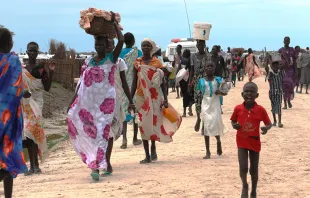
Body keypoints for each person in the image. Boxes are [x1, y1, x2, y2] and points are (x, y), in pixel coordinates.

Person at [67, 18, 134, 181]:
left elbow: (122, 40)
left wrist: (115, 24)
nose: (99, 48)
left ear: (107, 46)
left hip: (106, 105)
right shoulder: (89, 61)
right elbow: (81, 84)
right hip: (89, 105)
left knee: (103, 133)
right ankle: (95, 164)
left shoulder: (113, 59)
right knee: (91, 133)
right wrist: (72, 102)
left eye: (102, 45)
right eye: (97, 45)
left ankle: (101, 163)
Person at [131, 38, 182, 164]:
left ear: (152, 47)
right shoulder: (137, 63)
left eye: (148, 46)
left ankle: (153, 146)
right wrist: (130, 99)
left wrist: (165, 99)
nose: (146, 48)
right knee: (142, 124)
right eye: (143, 45)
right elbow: (133, 82)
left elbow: (163, 83)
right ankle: (147, 155)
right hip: (141, 96)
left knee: (153, 123)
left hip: (154, 96)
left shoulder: (157, 63)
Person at [231, 82, 272, 198]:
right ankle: (244, 185)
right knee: (243, 168)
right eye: (247, 91)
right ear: (242, 94)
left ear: (257, 95)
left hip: (255, 142)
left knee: (253, 169)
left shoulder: (260, 110)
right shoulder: (238, 108)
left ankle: (254, 189)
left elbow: (269, 123)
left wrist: (266, 128)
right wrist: (235, 125)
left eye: (252, 92)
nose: (249, 94)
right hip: (241, 142)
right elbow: (233, 120)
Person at [0, 27, 28, 198]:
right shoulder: (13, 61)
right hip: (8, 119)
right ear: (9, 43)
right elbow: (17, 89)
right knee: (8, 157)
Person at [22, 42, 54, 176]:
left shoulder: (41, 69)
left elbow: (47, 88)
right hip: (25, 102)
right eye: (30, 51)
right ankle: (32, 166)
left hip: (37, 101)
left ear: (38, 52)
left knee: (33, 130)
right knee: (27, 132)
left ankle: (36, 166)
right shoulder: (22, 68)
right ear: (27, 52)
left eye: (35, 51)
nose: (32, 53)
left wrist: (51, 72)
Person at [198, 61, 228, 159]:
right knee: (206, 126)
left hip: (215, 104)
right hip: (206, 104)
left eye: (212, 66)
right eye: (208, 66)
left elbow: (225, 92)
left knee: (215, 124)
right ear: (205, 68)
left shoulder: (218, 80)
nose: (210, 68)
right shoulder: (201, 81)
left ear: (214, 68)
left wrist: (220, 91)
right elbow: (199, 94)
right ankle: (208, 151)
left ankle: (218, 141)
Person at [119, 32, 142, 149]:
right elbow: (141, 66)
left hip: (123, 87)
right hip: (135, 85)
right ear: (133, 41)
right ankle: (135, 138)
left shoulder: (120, 53)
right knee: (135, 111)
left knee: (124, 111)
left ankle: (124, 139)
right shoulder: (137, 52)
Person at [188, 40, 211, 132]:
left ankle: (204, 124)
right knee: (197, 102)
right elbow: (192, 70)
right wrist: (190, 83)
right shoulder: (193, 56)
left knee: (206, 102)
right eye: (199, 44)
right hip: (197, 82)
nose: (201, 46)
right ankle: (198, 118)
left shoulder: (209, 56)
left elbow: (211, 69)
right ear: (197, 46)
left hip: (206, 81)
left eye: (202, 44)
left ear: (205, 45)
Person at [278, 37, 298, 109]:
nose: (287, 42)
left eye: (288, 41)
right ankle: (285, 104)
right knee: (284, 87)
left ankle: (289, 100)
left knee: (290, 87)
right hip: (283, 70)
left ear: (289, 42)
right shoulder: (280, 50)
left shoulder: (292, 50)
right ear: (283, 41)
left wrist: (296, 70)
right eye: (285, 41)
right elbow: (277, 61)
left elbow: (295, 61)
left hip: (291, 71)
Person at [266, 53, 284, 128]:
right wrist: (268, 61)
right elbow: (267, 69)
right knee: (273, 106)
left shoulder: (281, 73)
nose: (276, 67)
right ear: (272, 67)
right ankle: (274, 121)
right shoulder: (271, 74)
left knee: (279, 106)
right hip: (272, 92)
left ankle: (279, 122)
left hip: (279, 92)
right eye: (274, 66)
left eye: (277, 65)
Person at [178, 49, 193, 117]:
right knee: (190, 95)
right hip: (190, 79)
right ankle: (190, 109)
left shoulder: (182, 61)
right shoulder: (191, 60)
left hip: (183, 80)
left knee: (184, 96)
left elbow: (178, 70)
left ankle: (184, 112)